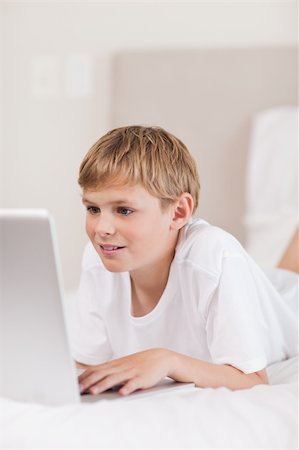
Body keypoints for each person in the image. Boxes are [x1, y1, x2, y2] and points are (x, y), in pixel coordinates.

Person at [69, 125, 298, 397]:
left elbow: (253, 381)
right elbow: (84, 364)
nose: (101, 228)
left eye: (124, 210)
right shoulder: (99, 258)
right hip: (262, 284)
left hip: (288, 302)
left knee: (289, 281)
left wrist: (167, 360)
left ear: (178, 212)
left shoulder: (213, 252)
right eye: (93, 209)